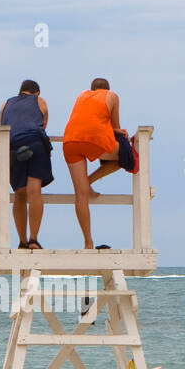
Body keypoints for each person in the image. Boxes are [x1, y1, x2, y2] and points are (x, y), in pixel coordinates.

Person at [61, 78, 127, 249]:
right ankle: (88, 181)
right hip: (95, 141)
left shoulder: (81, 96)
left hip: (70, 142)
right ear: (107, 88)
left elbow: (85, 121)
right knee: (126, 158)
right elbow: (116, 127)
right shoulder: (112, 95)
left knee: (80, 196)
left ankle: (88, 241)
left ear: (91, 89)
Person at [0, 79, 52, 250]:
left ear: (20, 91)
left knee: (20, 194)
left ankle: (22, 241)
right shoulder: (39, 101)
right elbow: (43, 125)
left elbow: (1, 126)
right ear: (37, 93)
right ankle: (33, 239)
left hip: (12, 147)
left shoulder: (6, 103)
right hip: (34, 144)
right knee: (34, 190)